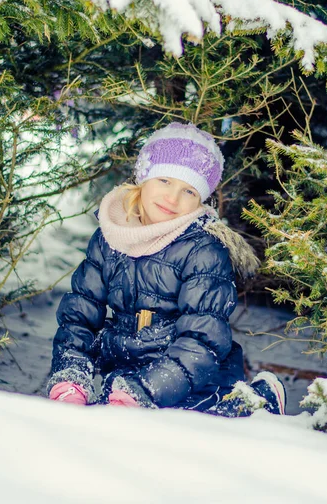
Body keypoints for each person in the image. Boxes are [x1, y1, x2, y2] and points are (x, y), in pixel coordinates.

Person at [47, 123, 286, 416]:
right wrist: (71, 374)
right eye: (164, 181)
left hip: (193, 378)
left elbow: (202, 338)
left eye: (188, 190)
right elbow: (80, 315)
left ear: (201, 200)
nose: (172, 198)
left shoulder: (204, 250)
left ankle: (259, 401)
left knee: (194, 427)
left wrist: (147, 389)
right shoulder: (111, 237)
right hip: (127, 372)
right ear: (143, 178)